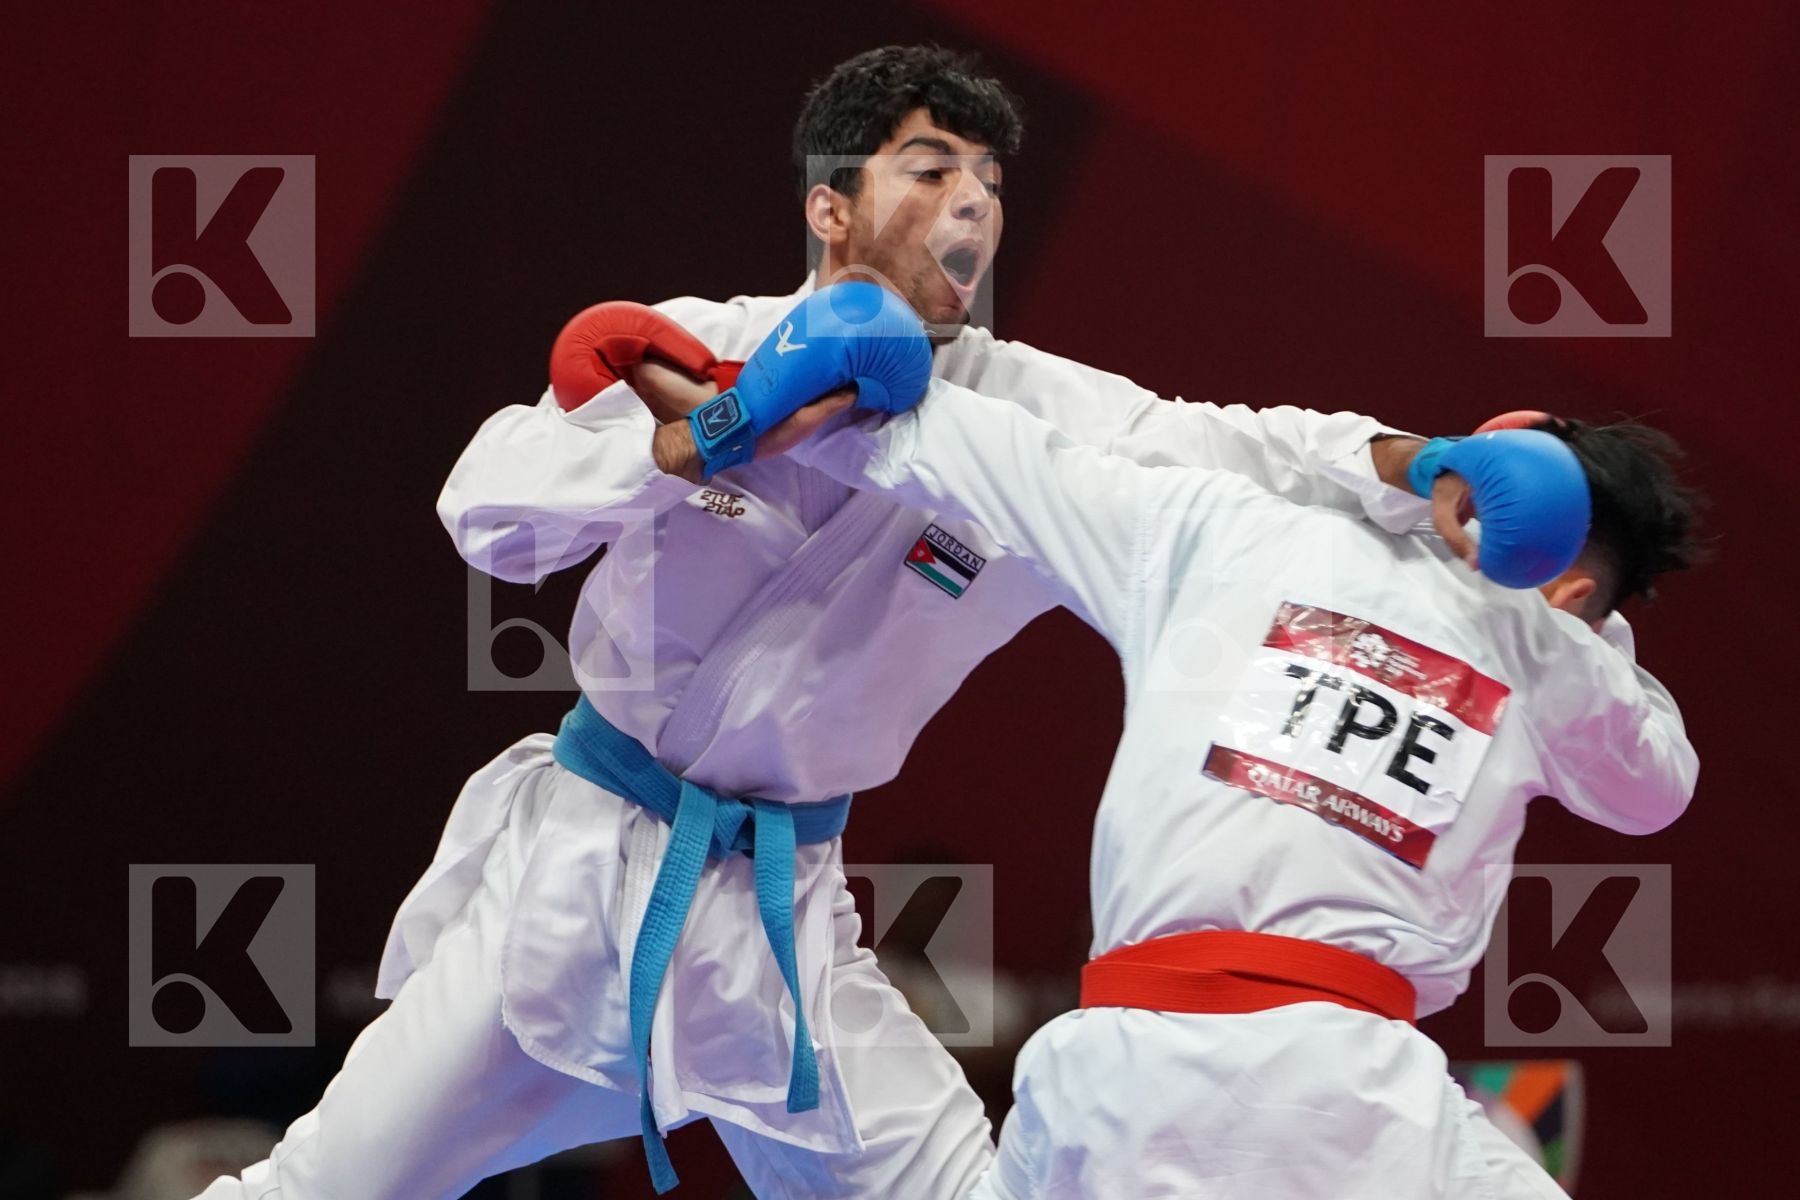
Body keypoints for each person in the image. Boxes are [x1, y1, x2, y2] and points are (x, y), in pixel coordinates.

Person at [196, 46, 1591, 1199]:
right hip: (579, 884)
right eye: (931, 172)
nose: (972, 209)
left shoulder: (1037, 420)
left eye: (990, 182)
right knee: (315, 1192)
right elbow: (488, 511)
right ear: (830, 207)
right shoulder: (700, 345)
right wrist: (716, 435)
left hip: (787, 923)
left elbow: (1246, 450)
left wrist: (1426, 465)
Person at [781, 379, 1702, 1198]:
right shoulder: (1555, 661)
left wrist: (784, 380)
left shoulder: (1233, 523)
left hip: (1132, 1077)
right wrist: (1573, 623)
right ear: (1582, 595)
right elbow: (1656, 785)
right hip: (1345, 1094)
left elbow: (992, 452)